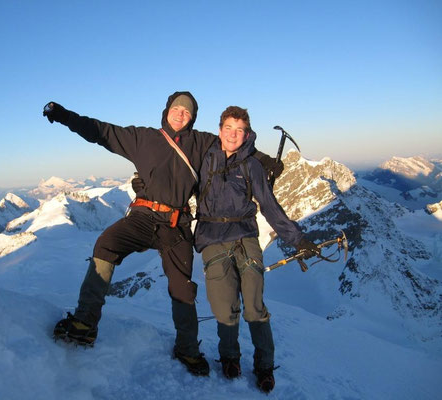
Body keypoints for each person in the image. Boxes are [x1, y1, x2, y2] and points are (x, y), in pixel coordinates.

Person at [43, 91, 218, 376]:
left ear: (193, 117)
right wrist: (64, 116)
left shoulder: (204, 143)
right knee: (106, 244)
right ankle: (85, 323)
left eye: (187, 112)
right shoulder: (144, 138)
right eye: (177, 109)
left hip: (177, 225)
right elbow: (101, 131)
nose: (180, 114)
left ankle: (187, 349)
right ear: (167, 110)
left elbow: (233, 147)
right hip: (143, 217)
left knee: (183, 287)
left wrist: (264, 162)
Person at [194, 106, 319, 393]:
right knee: (224, 308)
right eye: (228, 128)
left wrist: (297, 238)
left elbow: (270, 206)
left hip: (245, 238)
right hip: (212, 239)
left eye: (239, 130)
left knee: (254, 308)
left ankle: (264, 367)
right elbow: (176, 174)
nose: (233, 134)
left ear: (246, 134)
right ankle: (230, 358)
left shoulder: (252, 166)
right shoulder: (205, 158)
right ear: (219, 130)